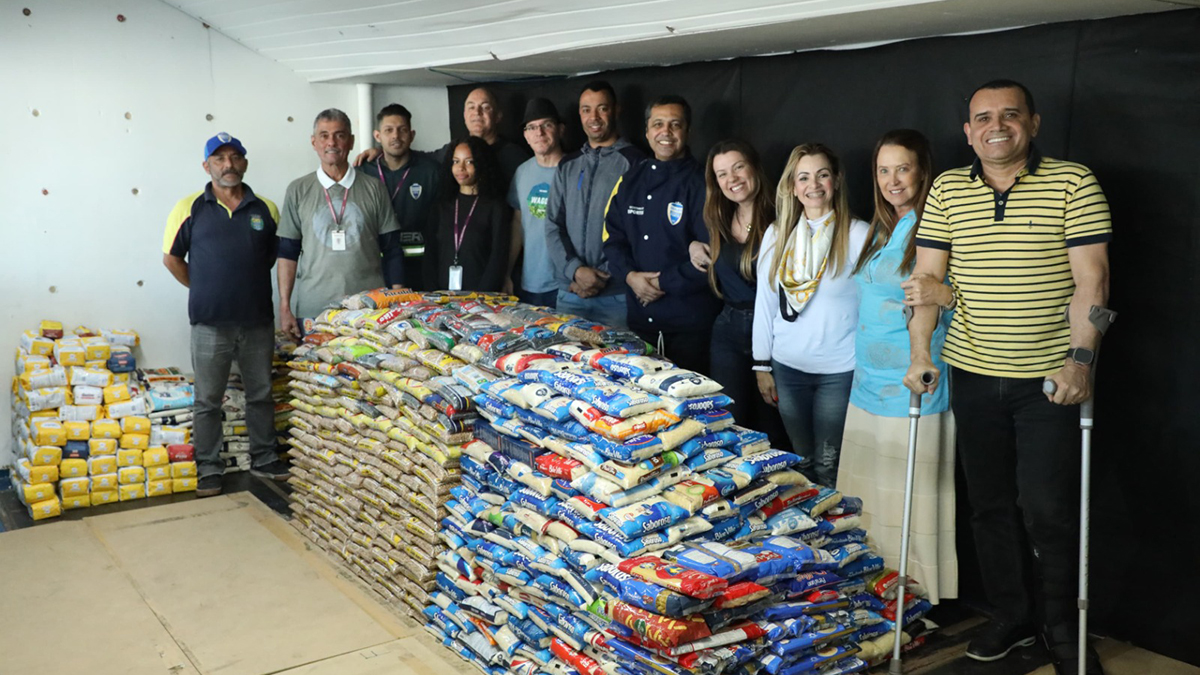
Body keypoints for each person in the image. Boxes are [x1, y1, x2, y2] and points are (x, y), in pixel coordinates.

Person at [905, 80, 1111, 675]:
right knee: (989, 506)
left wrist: (1080, 362)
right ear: (968, 132)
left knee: (1047, 509)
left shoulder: (1073, 183)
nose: (996, 126)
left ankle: (1063, 627)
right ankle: (1012, 615)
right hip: (972, 374)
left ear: (1033, 124)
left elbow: (1093, 282)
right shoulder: (947, 189)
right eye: (983, 118)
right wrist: (920, 354)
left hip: (1048, 380)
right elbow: (926, 284)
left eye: (1010, 114)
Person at [834, 129, 957, 604]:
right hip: (868, 381)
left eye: (902, 168)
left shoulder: (934, 226)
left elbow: (953, 294)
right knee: (871, 490)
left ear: (923, 171)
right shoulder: (885, 227)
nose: (892, 180)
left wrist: (945, 295)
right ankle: (874, 586)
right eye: (883, 170)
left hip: (912, 381)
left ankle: (916, 596)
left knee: (908, 495)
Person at [162, 133, 290, 497]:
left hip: (257, 321)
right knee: (207, 399)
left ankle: (265, 458)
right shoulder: (189, 208)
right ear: (207, 166)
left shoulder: (266, 209)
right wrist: (203, 287)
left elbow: (272, 258)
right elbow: (171, 259)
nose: (228, 165)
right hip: (209, 323)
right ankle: (208, 468)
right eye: (219, 159)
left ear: (244, 163)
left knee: (260, 393)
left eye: (235, 157)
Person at [752, 143, 869, 488]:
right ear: (792, 186)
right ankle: (809, 523)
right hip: (788, 369)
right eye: (803, 177)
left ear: (836, 180)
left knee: (830, 467)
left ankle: (835, 522)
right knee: (802, 463)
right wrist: (761, 365)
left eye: (822, 175)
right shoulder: (777, 234)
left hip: (839, 372)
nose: (813, 185)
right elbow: (765, 303)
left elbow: (875, 307)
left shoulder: (858, 234)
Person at [603, 95, 718, 374]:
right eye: (658, 124)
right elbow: (612, 239)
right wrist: (630, 277)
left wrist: (658, 283)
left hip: (690, 326)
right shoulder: (630, 180)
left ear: (687, 131)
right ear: (647, 131)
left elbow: (711, 257)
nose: (665, 132)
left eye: (674, 124)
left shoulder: (705, 184)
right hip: (639, 323)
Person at [686, 140, 788, 446]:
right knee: (730, 426)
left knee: (775, 430)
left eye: (738, 167)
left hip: (775, 334)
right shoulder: (717, 217)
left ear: (754, 167)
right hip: (728, 332)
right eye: (722, 174)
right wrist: (693, 245)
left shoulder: (783, 217)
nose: (732, 179)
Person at [277, 109, 402, 338]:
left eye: (339, 135)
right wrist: (284, 307)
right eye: (324, 136)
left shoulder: (374, 188)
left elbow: (392, 249)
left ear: (351, 141)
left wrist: (397, 302)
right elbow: (287, 252)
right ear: (314, 142)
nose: (331, 143)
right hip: (314, 311)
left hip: (368, 309)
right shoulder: (298, 190)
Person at [546, 80, 645, 327]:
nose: (594, 117)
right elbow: (553, 225)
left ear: (616, 110)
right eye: (586, 109)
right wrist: (576, 271)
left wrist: (601, 277)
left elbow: (639, 230)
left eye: (602, 108)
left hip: (616, 297)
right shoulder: (567, 165)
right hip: (570, 293)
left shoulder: (635, 162)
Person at [359, 103, 441, 290]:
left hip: (421, 272)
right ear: (377, 136)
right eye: (388, 130)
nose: (396, 136)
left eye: (402, 130)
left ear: (412, 135)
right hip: (374, 271)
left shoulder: (431, 171)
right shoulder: (363, 172)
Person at [427, 136, 511, 291]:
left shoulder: (495, 206)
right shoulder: (441, 205)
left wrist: (482, 296)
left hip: (482, 297)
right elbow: (431, 254)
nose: (461, 168)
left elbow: (498, 257)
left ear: (482, 163)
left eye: (469, 162)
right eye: (455, 161)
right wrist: (433, 292)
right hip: (442, 297)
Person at [506, 98, 566, 305]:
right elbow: (517, 224)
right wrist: (507, 273)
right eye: (532, 127)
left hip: (567, 285)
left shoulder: (575, 170)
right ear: (526, 135)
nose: (539, 132)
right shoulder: (522, 172)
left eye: (546, 125)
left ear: (560, 129)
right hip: (529, 282)